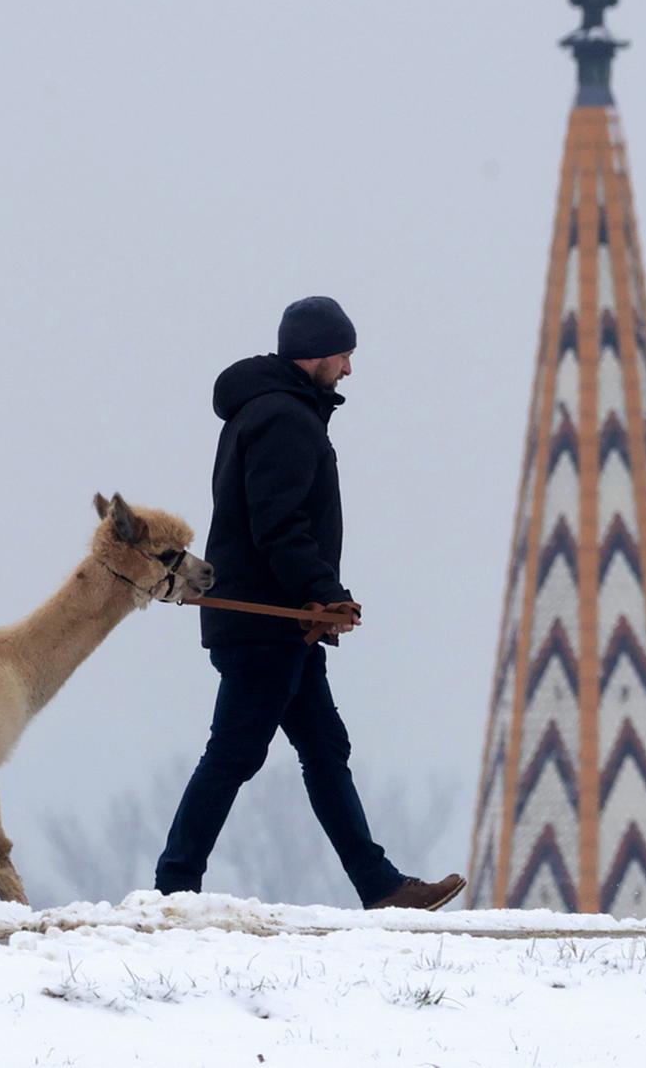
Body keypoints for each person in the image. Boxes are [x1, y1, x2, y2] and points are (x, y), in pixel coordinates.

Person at [154, 296, 464, 911]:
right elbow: (279, 525)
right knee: (236, 752)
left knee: (324, 749)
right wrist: (325, 593)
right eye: (345, 354)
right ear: (319, 353)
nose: (349, 369)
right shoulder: (285, 419)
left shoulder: (267, 412)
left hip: (283, 625)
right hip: (267, 625)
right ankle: (173, 886)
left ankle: (379, 886)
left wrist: (317, 602)